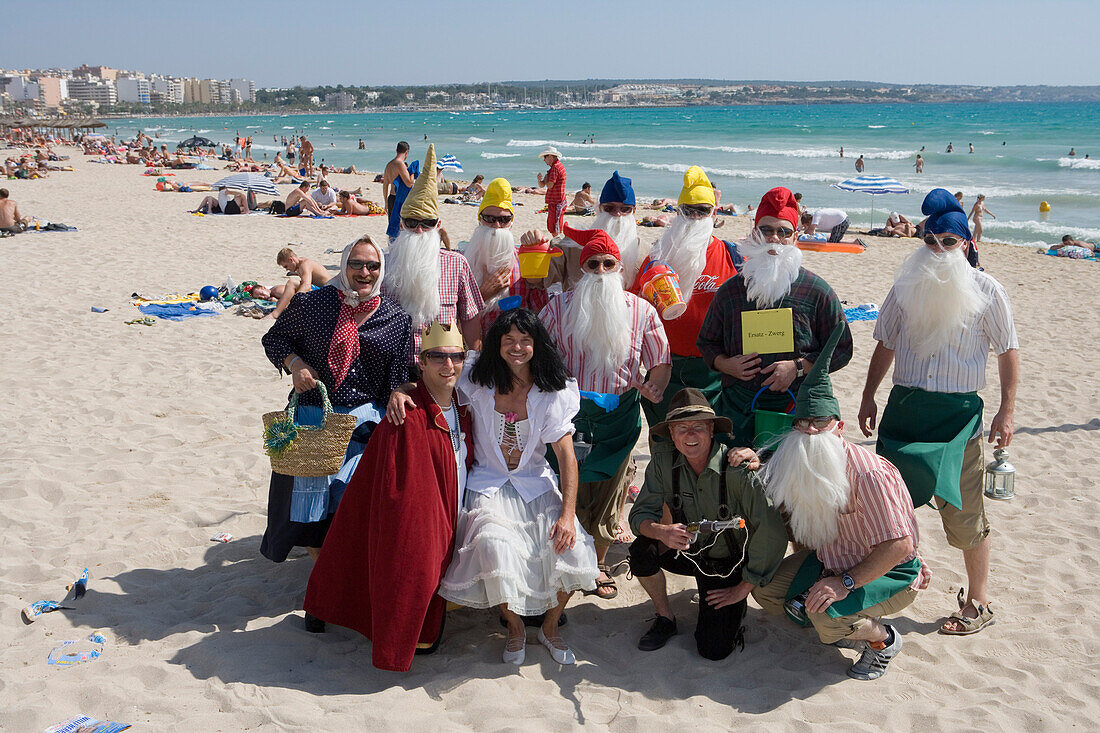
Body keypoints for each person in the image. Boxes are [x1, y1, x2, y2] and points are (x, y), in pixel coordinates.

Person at [393, 309, 599, 665]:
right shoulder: (477, 377)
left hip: (535, 483)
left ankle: (550, 627)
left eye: (525, 340)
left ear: (536, 344)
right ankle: (515, 627)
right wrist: (401, 389)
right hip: (487, 483)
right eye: (508, 340)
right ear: (497, 345)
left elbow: (566, 455)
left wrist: (568, 514)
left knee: (571, 546)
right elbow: (438, 377)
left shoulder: (553, 390)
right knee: (492, 544)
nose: (517, 347)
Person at [859, 188, 1018, 637]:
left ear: (965, 245)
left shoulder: (989, 290)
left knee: (964, 512)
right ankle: (879, 584)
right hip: (905, 409)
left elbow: (1008, 352)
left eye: (949, 242)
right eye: (931, 241)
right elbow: (885, 342)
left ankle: (979, 599)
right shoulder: (904, 288)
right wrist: (869, 394)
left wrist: (1006, 411)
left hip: (958, 416)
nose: (939, 249)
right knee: (886, 507)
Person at [750, 325, 931, 680]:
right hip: (832, 561)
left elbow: (899, 545)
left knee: (825, 616)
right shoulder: (799, 458)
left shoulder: (869, 474)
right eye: (803, 422)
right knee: (767, 592)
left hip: (889, 570)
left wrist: (843, 584)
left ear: (840, 426)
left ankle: (881, 640)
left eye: (821, 422)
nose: (811, 431)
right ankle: (836, 623)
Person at [302, 321, 473, 671]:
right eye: (437, 356)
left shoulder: (466, 402)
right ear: (421, 362)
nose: (448, 365)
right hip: (429, 507)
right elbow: (402, 498)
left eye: (455, 357)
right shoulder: (406, 416)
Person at [259, 236, 411, 577]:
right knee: (310, 509)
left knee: (351, 503)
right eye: (356, 263)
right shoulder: (314, 305)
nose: (364, 271)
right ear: (343, 266)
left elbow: (398, 374)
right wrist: (296, 363)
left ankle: (340, 575)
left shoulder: (394, 317)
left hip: (366, 425)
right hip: (314, 417)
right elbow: (274, 338)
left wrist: (400, 391)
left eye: (372, 265)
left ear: (381, 270)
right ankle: (323, 575)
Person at [538, 224, 672, 600]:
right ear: (581, 270)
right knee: (569, 491)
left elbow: (660, 360)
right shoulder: (558, 307)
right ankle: (567, 561)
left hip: (620, 416)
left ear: (619, 269)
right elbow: (538, 355)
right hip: (567, 416)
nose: (599, 271)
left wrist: (656, 384)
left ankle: (596, 566)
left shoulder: (642, 310)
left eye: (607, 264)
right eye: (592, 264)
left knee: (611, 494)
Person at [629, 388, 788, 659]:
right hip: (688, 552)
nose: (690, 436)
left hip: (729, 565)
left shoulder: (738, 467)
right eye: (681, 428)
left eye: (698, 427)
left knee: (713, 650)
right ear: (671, 434)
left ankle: (733, 608)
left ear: (712, 430)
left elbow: (772, 531)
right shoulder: (662, 462)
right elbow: (639, 514)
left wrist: (743, 588)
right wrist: (661, 531)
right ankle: (665, 617)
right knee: (641, 551)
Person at [698, 187, 852, 447]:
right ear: (754, 233)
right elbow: (707, 343)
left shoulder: (817, 291)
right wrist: (727, 365)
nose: (774, 238)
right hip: (739, 408)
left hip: (799, 413)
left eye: (784, 231)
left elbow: (841, 349)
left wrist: (798, 367)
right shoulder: (730, 291)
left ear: (795, 237)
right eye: (766, 230)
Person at [629, 166, 743, 428]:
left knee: (711, 441)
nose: (694, 216)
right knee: (665, 441)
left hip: (714, 369)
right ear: (677, 212)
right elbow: (636, 310)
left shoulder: (733, 258)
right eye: (687, 210)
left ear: (714, 213)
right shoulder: (658, 257)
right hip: (666, 366)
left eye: (702, 210)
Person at [384, 145, 484, 357]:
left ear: (438, 225)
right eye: (411, 222)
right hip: (396, 370)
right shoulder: (381, 265)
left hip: (442, 368)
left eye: (427, 223)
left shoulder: (457, 263)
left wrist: (474, 363)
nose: (419, 230)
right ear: (401, 225)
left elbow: (470, 319)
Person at [463, 178, 550, 331]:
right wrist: (483, 294)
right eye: (490, 219)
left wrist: (538, 258)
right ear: (479, 220)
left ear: (511, 222)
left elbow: (540, 313)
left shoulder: (523, 260)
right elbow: (452, 316)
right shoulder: (463, 262)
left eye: (504, 219)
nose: (496, 226)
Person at [383, 141, 415, 240]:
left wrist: (385, 202)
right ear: (406, 152)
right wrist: (413, 171)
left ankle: (391, 249)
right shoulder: (400, 164)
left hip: (391, 198)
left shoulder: (389, 165)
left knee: (392, 227)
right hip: (400, 199)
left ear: (396, 150)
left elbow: (385, 185)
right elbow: (409, 183)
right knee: (402, 228)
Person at [537, 146, 567, 235]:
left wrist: (544, 180)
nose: (544, 160)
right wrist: (540, 180)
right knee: (555, 225)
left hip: (557, 201)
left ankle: (557, 246)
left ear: (550, 156)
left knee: (555, 227)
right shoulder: (556, 166)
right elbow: (543, 185)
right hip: (557, 200)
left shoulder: (555, 168)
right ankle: (557, 245)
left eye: (545, 157)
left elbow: (549, 185)